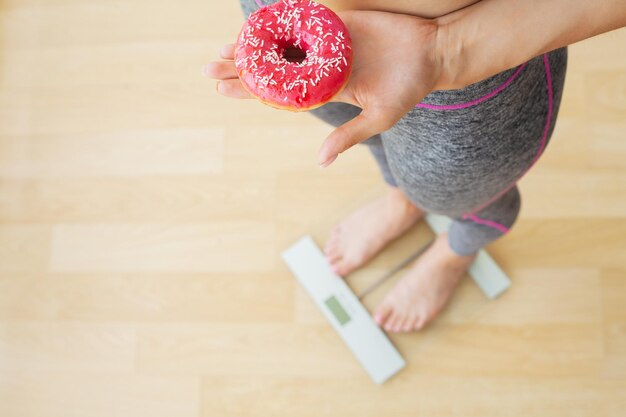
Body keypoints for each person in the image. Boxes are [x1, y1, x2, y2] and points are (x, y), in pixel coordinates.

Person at [204, 0, 626, 333]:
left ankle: (457, 248)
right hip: (283, 17)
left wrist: (445, 48)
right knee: (356, 131)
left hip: (471, 55)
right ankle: (401, 199)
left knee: (453, 192)